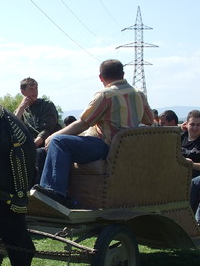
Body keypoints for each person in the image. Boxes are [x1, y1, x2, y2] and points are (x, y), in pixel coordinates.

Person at [33, 59, 154, 208]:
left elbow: (83, 122)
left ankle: (55, 193)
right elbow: (149, 119)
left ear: (101, 77)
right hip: (126, 148)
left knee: (59, 142)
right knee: (60, 145)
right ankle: (53, 188)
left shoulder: (106, 95)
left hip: (107, 146)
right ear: (123, 74)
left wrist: (53, 136)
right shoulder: (139, 94)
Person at [14, 77, 62, 182]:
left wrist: (32, 145)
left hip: (50, 144)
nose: (35, 91)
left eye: (36, 88)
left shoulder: (47, 106)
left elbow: (47, 130)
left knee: (39, 153)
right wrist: (21, 108)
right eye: (31, 89)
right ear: (23, 91)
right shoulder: (22, 110)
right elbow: (13, 126)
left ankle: (39, 190)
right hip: (31, 146)